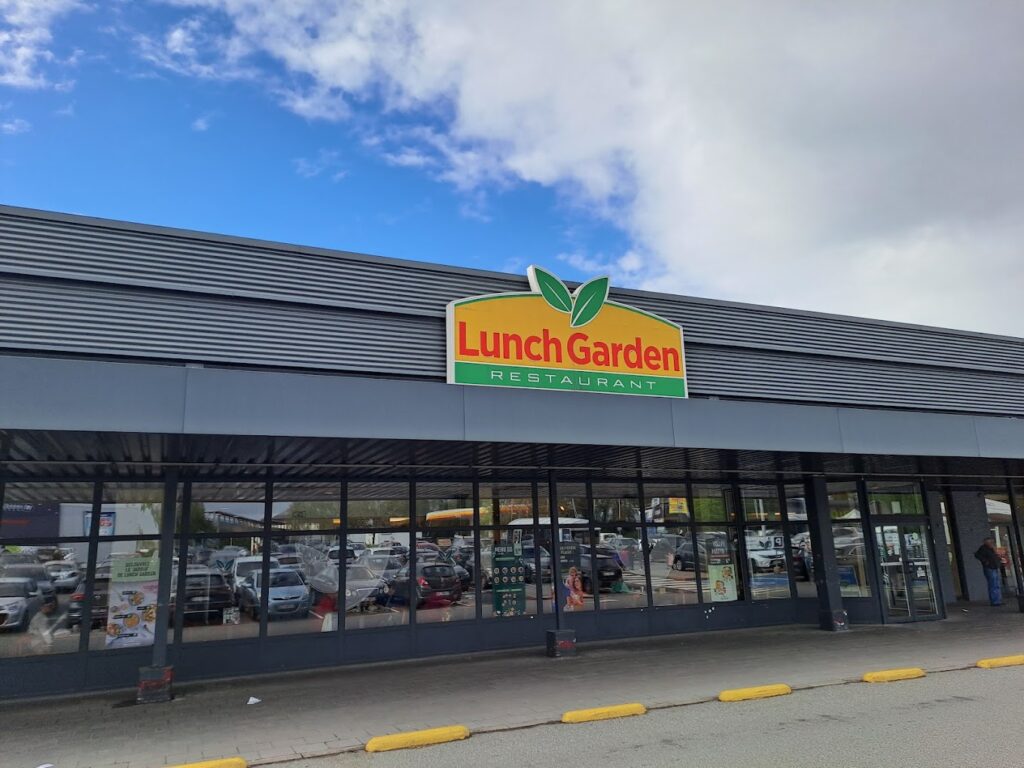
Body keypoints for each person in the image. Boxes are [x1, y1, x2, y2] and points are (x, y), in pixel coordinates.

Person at [974, 537, 1004, 606]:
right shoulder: (983, 548)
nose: (991, 543)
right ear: (986, 542)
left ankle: (998, 600)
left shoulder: (992, 548)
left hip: (995, 566)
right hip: (989, 568)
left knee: (997, 584)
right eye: (990, 542)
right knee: (993, 584)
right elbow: (977, 555)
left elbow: (996, 556)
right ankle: (995, 601)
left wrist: (999, 561)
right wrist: (985, 562)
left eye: (992, 542)